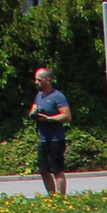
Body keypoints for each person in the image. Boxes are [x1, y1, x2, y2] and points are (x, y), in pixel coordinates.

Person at [30, 67, 71, 196]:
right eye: (35, 79)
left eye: (39, 79)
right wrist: (33, 112)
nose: (36, 82)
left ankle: (60, 199)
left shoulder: (57, 96)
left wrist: (48, 119)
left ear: (48, 80)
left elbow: (67, 117)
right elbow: (34, 111)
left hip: (55, 139)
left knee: (57, 170)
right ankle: (52, 197)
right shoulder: (39, 96)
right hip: (43, 139)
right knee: (44, 171)